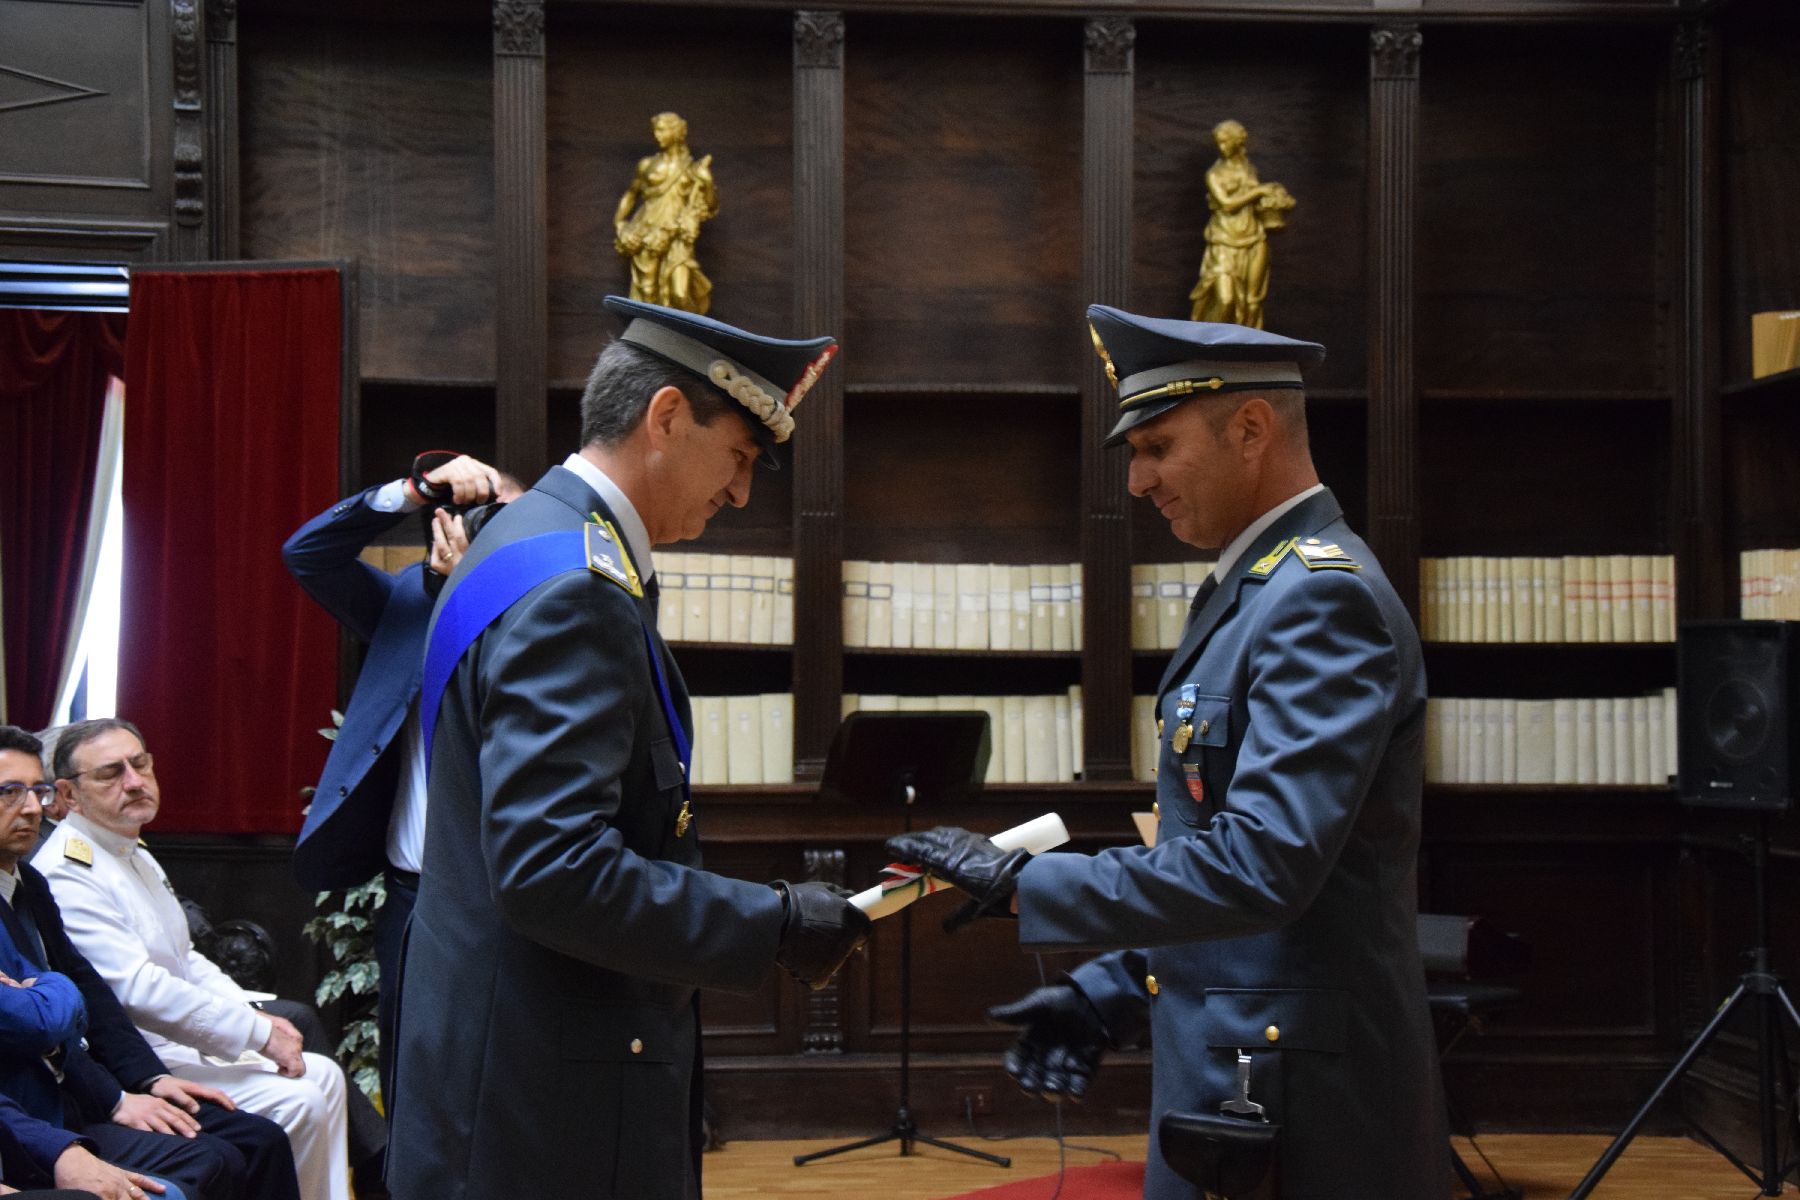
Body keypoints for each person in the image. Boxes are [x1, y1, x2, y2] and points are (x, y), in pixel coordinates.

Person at [887, 306, 1449, 1199]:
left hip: (1299, 1097)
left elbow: (1263, 867)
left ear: (1252, 429)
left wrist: (1025, 882)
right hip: (1242, 1060)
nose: (1138, 479)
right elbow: (1223, 860)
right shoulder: (1256, 589)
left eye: (1157, 447)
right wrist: (1110, 988)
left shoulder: (1318, 599)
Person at [387, 296, 865, 1200]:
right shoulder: (577, 587)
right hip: (546, 1095)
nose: (741, 492)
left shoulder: (525, 536)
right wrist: (771, 921)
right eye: (739, 456)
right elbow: (551, 869)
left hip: (498, 1053)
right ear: (668, 417)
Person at [282, 451, 520, 1111]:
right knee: (409, 1079)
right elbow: (307, 554)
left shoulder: (543, 616)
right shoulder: (404, 605)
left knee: (501, 1086)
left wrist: (470, 595)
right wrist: (413, 491)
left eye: (504, 518)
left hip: (506, 900)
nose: (487, 531)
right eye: (475, 515)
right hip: (411, 896)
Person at [35, 723, 346, 1200]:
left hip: (180, 1042)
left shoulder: (131, 849)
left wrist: (253, 1017)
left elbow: (186, 959)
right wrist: (256, 1034)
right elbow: (137, 989)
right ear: (68, 795)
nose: (134, 781)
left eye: (140, 764)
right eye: (111, 773)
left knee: (324, 1074)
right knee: (298, 1100)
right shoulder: (68, 870)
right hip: (140, 1061)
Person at [1187, 120, 1295, 331]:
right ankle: (1207, 341)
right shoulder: (1214, 174)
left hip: (1253, 237)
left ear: (1238, 141)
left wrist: (1273, 197)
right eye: (1219, 143)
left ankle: (1245, 344)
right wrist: (1259, 191)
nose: (1222, 147)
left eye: (1226, 142)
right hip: (1224, 240)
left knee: (1251, 301)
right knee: (1225, 299)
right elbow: (1227, 204)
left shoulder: (1248, 168)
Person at [614, 112, 718, 314]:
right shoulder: (646, 165)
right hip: (647, 233)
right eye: (655, 130)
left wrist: (707, 182)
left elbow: (710, 206)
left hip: (677, 235)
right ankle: (650, 332)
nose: (656, 135)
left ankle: (690, 331)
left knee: (680, 293)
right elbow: (631, 195)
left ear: (676, 132)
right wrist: (620, 224)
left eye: (661, 130)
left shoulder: (692, 169)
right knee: (647, 293)